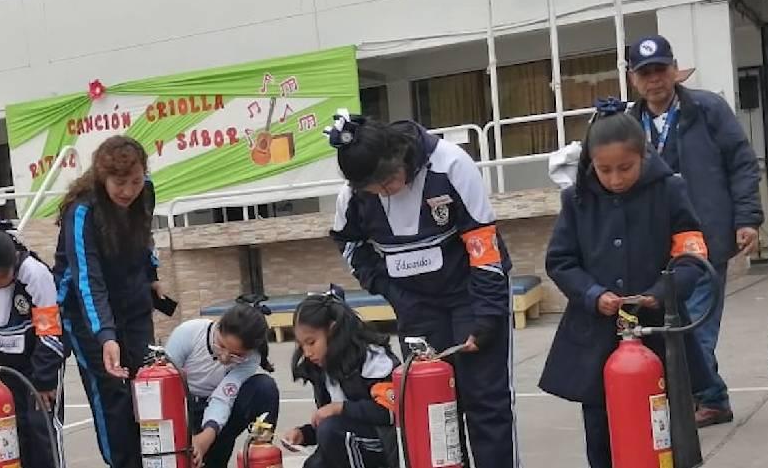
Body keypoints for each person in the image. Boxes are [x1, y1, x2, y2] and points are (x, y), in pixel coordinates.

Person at [327, 111, 518, 468]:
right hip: (414, 304)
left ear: (397, 153)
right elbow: (350, 245)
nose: (386, 192)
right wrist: (388, 289)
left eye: (389, 181)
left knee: (485, 402)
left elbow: (484, 246)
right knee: (433, 406)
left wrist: (487, 316)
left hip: (470, 294)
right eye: (375, 190)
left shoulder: (451, 165)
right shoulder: (352, 196)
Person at [539, 107, 712, 467]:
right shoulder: (576, 199)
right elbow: (561, 261)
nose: (615, 179)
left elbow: (691, 255)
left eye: (625, 168)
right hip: (596, 338)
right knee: (601, 431)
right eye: (604, 170)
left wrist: (660, 294)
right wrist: (592, 294)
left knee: (663, 431)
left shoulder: (670, 190)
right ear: (591, 163)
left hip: (659, 334)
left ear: (643, 156)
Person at [628, 34, 764, 426]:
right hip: (656, 246)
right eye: (645, 73)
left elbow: (742, 163)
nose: (654, 79)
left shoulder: (707, 109)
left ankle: (698, 399)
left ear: (674, 70)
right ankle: (711, 397)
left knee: (697, 326)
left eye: (660, 70)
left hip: (705, 240)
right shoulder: (628, 124)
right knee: (671, 327)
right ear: (634, 79)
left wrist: (747, 218)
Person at [54, 135, 158, 468]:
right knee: (112, 393)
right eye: (119, 183)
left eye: (135, 181)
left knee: (146, 383)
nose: (128, 191)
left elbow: (144, 238)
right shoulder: (82, 211)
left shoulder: (146, 192)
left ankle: (153, 459)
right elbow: (87, 279)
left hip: (132, 302)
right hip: (86, 312)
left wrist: (152, 274)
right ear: (103, 177)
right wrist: (105, 336)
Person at [0, 228, 65, 468]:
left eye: (1, 277)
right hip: (2, 364)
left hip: (37, 359)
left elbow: (50, 331)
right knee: (11, 427)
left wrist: (44, 380)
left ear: (13, 264)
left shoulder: (34, 274)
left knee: (41, 428)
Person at [283, 288, 399, 468]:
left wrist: (340, 408)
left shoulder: (371, 358)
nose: (307, 352)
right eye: (301, 345)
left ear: (332, 330)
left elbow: (390, 413)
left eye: (311, 342)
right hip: (352, 439)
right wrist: (304, 434)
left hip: (385, 444)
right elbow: (335, 424)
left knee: (331, 430)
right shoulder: (321, 367)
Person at [164, 304, 279, 468]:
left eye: (236, 355)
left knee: (264, 388)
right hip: (182, 410)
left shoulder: (251, 358)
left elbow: (224, 397)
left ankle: (260, 458)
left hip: (218, 417)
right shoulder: (189, 333)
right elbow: (163, 384)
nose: (224, 358)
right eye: (221, 345)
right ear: (218, 326)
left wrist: (205, 438)